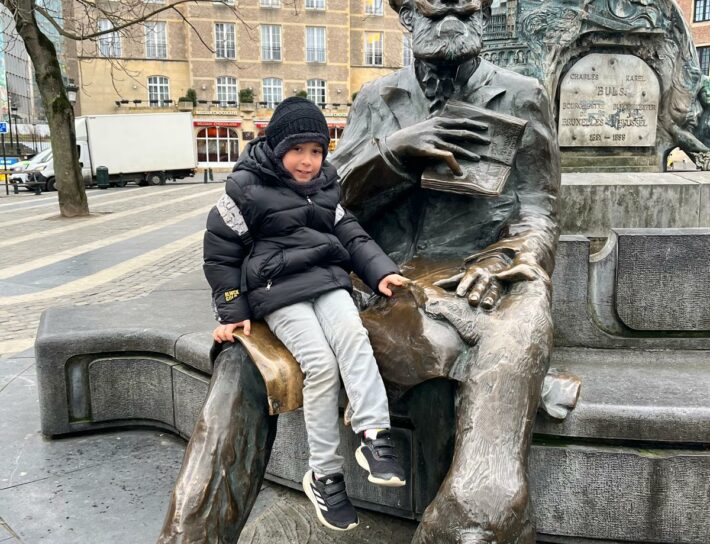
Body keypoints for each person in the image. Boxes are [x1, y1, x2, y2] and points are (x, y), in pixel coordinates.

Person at [202, 96, 408, 532]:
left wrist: (381, 273)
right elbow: (220, 251)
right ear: (277, 147)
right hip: (278, 291)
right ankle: (324, 475)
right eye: (297, 150)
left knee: (353, 337)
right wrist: (231, 309)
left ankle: (374, 434)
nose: (307, 161)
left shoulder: (326, 185)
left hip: (328, 282)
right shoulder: (246, 189)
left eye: (316, 150)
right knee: (321, 364)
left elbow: (350, 234)